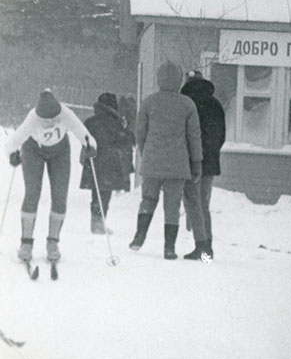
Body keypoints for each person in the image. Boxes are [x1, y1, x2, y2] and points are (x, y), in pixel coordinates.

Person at [4, 89, 97, 262]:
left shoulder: (66, 114)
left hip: (59, 152)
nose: (48, 124)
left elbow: (83, 134)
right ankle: (26, 243)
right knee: (32, 192)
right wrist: (12, 155)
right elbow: (13, 142)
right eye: (44, 121)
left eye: (52, 121)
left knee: (60, 195)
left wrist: (89, 146)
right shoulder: (32, 118)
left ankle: (53, 242)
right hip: (33, 150)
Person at [129, 61, 205, 260]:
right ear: (179, 79)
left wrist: (146, 153)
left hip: (153, 160)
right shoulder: (187, 104)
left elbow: (140, 133)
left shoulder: (149, 102)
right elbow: (194, 136)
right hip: (178, 164)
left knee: (148, 199)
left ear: (158, 78)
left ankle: (139, 237)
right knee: (172, 206)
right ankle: (169, 248)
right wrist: (196, 162)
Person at [180, 70, 226, 261]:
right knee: (203, 205)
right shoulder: (215, 104)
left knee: (193, 203)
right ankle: (208, 248)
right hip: (211, 161)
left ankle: (202, 249)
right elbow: (221, 135)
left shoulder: (186, 104)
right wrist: (211, 153)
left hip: (191, 161)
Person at [79, 93, 135, 234]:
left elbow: (84, 142)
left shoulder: (90, 122)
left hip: (93, 162)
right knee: (104, 195)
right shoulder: (117, 123)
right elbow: (126, 142)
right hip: (110, 163)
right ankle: (99, 223)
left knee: (96, 193)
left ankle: (95, 221)